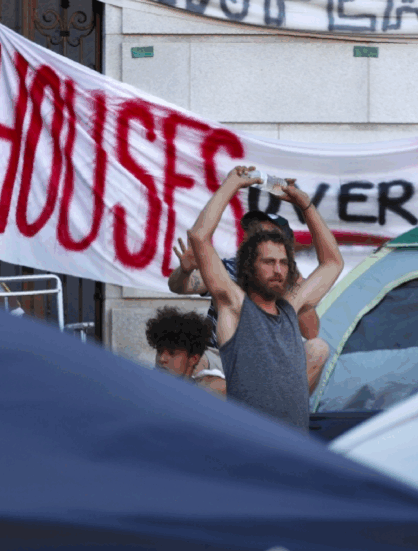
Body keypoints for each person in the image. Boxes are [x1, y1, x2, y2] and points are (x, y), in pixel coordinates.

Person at [187, 166, 343, 430]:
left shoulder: (290, 306)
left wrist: (305, 205)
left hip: (294, 447)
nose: (278, 270)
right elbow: (199, 237)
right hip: (253, 448)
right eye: (269, 262)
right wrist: (231, 186)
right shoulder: (234, 305)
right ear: (249, 265)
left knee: (319, 346)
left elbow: (332, 262)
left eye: (283, 262)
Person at [168, 209, 329, 392]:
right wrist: (185, 271)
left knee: (318, 349)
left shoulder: (290, 280)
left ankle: (284, 409)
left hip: (266, 367)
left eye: (264, 235)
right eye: (252, 233)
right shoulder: (228, 268)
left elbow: (311, 332)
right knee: (185, 357)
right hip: (220, 359)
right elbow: (180, 286)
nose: (253, 238)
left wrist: (291, 280)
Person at [145, 306, 226, 396]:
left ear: (193, 359)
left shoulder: (210, 391)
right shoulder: (145, 387)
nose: (162, 358)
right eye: (159, 351)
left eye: (172, 353)